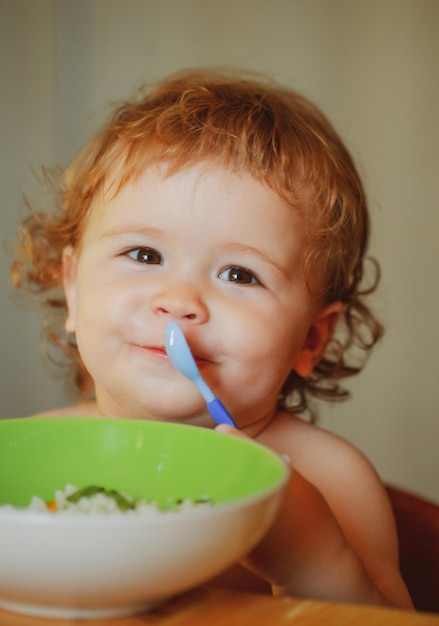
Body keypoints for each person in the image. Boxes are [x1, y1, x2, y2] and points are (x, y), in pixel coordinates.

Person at [11, 69, 413, 608]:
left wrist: (314, 558)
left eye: (239, 275)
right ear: (75, 291)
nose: (179, 300)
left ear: (312, 339)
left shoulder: (330, 481)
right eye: (145, 255)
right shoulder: (32, 462)